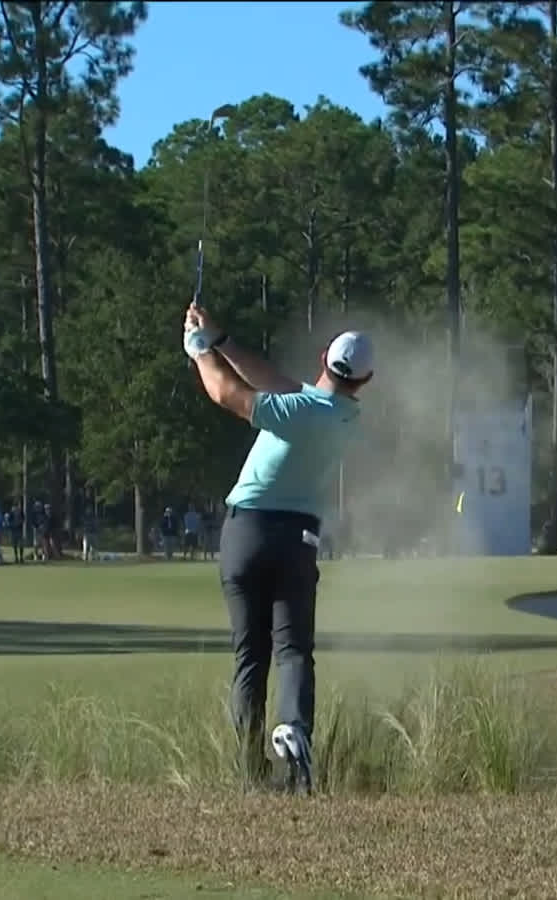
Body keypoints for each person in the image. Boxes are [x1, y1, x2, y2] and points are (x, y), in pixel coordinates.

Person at [183, 303, 372, 793]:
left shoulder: (300, 410)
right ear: (364, 382)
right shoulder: (345, 415)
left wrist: (199, 352)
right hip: (299, 539)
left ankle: (249, 770)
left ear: (322, 357)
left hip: (246, 533)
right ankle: (293, 733)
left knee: (251, 655)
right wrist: (221, 340)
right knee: (293, 651)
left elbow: (229, 394)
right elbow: (276, 382)